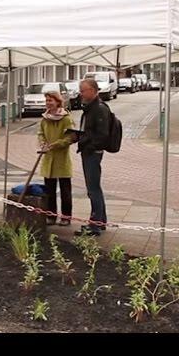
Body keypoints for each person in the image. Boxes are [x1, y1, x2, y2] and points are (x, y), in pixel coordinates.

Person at [75, 78, 110, 237]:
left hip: (92, 153)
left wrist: (87, 144)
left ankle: (95, 225)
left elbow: (102, 135)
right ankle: (100, 221)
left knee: (93, 189)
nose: (80, 93)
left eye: (83, 90)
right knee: (95, 187)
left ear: (93, 90)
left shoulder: (99, 109)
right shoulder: (90, 108)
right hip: (89, 151)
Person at [37, 90, 75, 226]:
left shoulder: (66, 118)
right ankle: (51, 216)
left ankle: (66, 217)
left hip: (62, 159)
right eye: (46, 101)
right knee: (50, 191)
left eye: (50, 100)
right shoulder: (45, 118)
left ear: (57, 102)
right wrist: (42, 142)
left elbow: (71, 137)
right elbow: (40, 132)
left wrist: (57, 144)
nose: (48, 103)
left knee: (65, 190)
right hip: (48, 159)